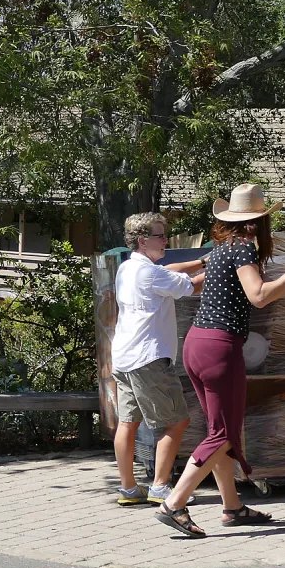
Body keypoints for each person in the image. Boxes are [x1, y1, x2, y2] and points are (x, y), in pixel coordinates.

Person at [155, 184, 285, 537]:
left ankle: (232, 506)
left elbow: (265, 292)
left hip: (197, 343)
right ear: (259, 222)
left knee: (219, 432)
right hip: (220, 349)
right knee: (224, 434)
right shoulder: (243, 248)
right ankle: (174, 503)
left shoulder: (222, 249)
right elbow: (259, 296)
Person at [109, 213, 206, 505]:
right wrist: (227, 265)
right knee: (176, 422)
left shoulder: (128, 267)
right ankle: (161, 487)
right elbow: (192, 286)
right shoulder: (150, 274)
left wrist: (204, 261)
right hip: (149, 359)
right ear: (142, 241)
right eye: (160, 235)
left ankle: (129, 489)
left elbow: (169, 270)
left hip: (125, 358)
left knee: (128, 423)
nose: (165, 240)